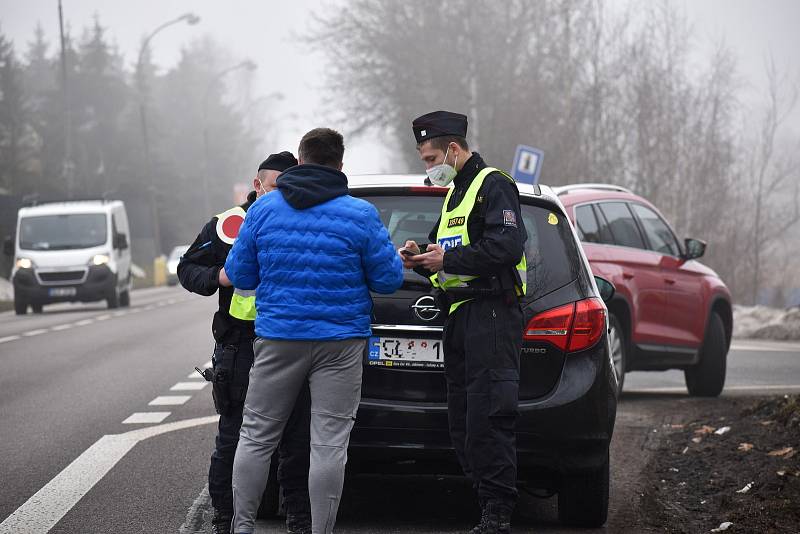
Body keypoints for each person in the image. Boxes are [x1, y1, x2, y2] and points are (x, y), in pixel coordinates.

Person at [225, 127, 403, 534]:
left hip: (278, 338)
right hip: (340, 342)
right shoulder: (360, 214)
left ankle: (243, 527)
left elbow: (240, 275)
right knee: (329, 444)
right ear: (340, 166)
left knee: (255, 436)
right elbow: (388, 280)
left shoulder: (264, 211)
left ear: (300, 161)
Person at [401, 111, 527, 534]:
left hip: (492, 314)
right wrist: (420, 257)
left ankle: (497, 515)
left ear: (453, 149)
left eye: (430, 156)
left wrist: (446, 258)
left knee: (488, 419)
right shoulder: (455, 193)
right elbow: (443, 257)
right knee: (462, 422)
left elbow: (506, 247)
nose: (428, 166)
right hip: (459, 316)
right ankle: (485, 503)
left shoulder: (493, 184)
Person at [178, 152, 313, 534]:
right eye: (274, 188)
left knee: (295, 439)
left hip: (290, 342)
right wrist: (220, 277)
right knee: (235, 436)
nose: (281, 196)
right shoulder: (229, 224)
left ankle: (298, 518)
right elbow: (187, 268)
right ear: (257, 185)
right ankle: (225, 518)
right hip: (242, 345)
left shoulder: (304, 219)